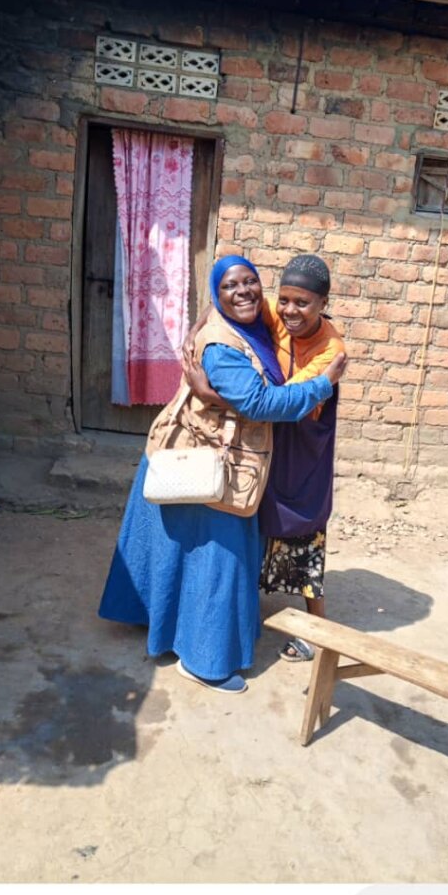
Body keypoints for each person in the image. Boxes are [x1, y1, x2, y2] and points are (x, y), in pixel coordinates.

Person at [98, 255, 346, 694]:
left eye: (250, 282)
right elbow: (262, 404)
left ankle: (163, 622)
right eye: (230, 286)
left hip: (237, 456)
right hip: (212, 465)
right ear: (217, 292)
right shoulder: (224, 344)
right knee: (219, 561)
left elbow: (266, 398)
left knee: (189, 553)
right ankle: (205, 662)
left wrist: (209, 385)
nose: (244, 292)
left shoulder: (275, 329)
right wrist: (323, 384)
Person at [184, 255, 345, 663]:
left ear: (323, 303)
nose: (290, 311)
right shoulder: (279, 315)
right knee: (256, 522)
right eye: (284, 300)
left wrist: (208, 395)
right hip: (271, 440)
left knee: (304, 533)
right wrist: (197, 328)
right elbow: (227, 305)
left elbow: (279, 403)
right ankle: (244, 611)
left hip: (301, 445)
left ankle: (317, 632)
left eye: (302, 303)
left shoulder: (331, 351)